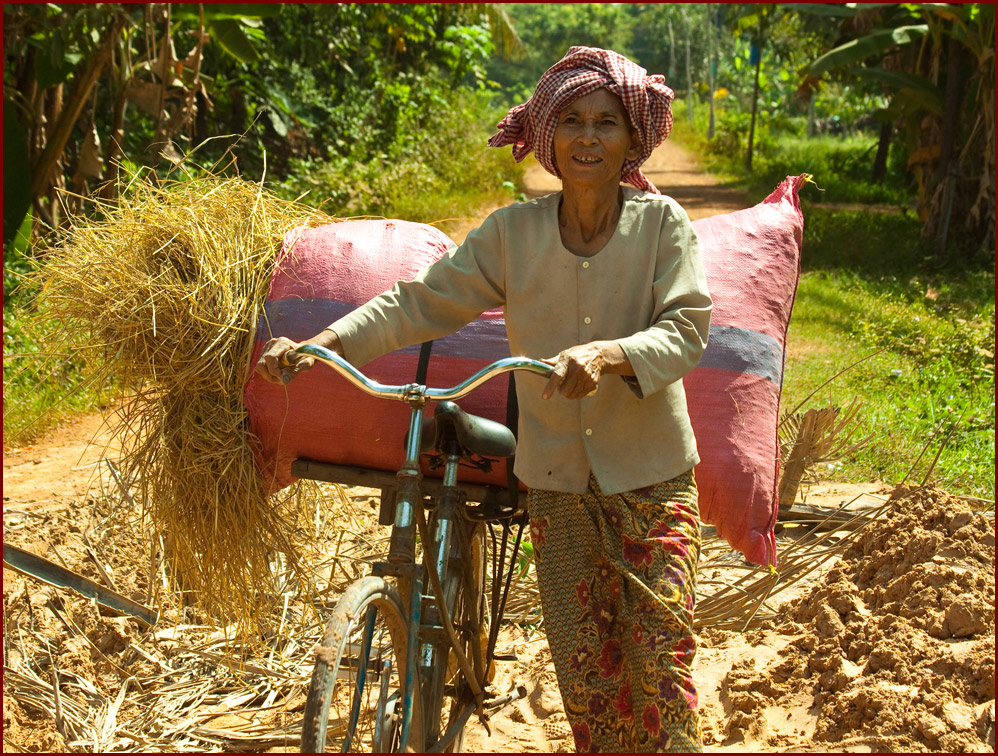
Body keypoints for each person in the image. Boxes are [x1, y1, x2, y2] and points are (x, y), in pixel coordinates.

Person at [257, 46, 712, 753]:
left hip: (652, 479)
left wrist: (610, 354)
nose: (588, 138)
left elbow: (685, 329)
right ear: (547, 138)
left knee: (662, 667)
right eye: (572, 123)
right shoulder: (512, 234)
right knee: (590, 680)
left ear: (632, 141)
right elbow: (421, 303)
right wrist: (325, 344)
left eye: (606, 123)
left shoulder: (662, 227)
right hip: (556, 486)